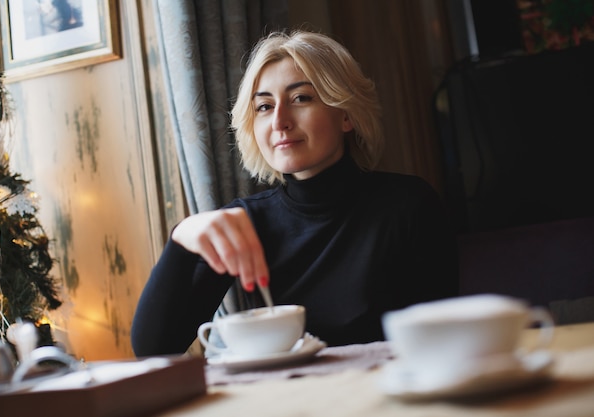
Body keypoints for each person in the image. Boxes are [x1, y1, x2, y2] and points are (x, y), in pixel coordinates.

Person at [131, 30, 459, 357]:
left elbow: (442, 341)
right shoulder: (244, 224)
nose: (279, 121)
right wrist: (182, 236)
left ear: (345, 114)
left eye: (301, 98)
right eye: (263, 106)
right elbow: (153, 347)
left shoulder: (409, 205)